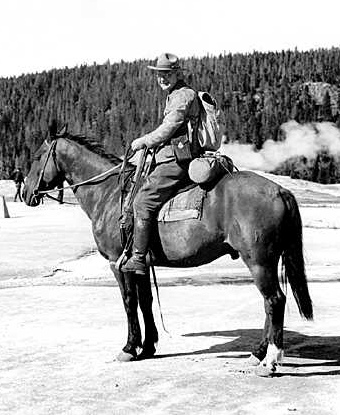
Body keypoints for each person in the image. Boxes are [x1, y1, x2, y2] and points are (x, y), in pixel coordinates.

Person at [121, 52, 202, 275]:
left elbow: (169, 127)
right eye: (158, 74)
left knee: (142, 202)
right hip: (174, 155)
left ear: (177, 74)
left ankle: (138, 259)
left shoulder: (183, 95)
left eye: (167, 74)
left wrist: (143, 141)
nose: (162, 78)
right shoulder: (177, 93)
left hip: (176, 160)